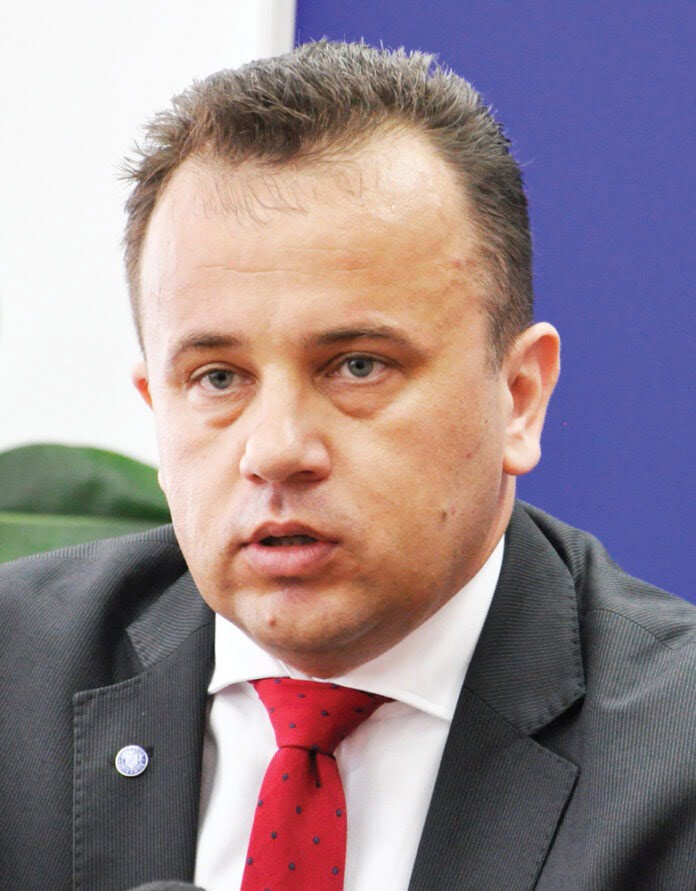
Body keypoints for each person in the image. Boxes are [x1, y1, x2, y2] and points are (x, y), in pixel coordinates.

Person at [1, 40, 695, 891]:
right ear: (157, 406)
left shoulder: (675, 755)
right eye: (217, 378)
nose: (276, 449)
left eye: (358, 366)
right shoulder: (13, 678)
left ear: (518, 398)